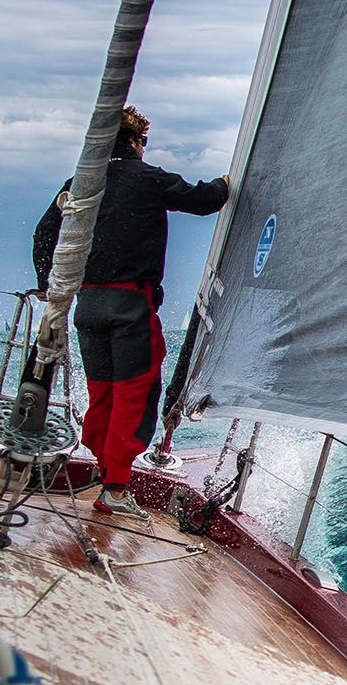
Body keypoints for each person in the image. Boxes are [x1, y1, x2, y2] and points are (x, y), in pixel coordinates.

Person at [31, 107, 227, 517]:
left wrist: (50, 283)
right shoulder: (147, 177)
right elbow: (205, 200)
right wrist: (227, 182)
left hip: (87, 307)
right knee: (134, 397)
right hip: (129, 308)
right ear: (137, 143)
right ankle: (115, 492)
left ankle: (107, 472)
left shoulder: (79, 183)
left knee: (103, 393)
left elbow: (45, 232)